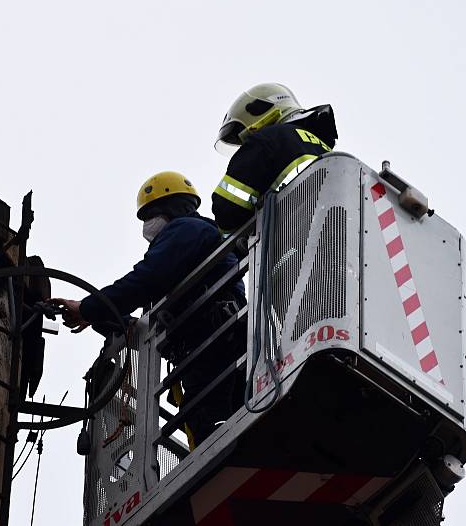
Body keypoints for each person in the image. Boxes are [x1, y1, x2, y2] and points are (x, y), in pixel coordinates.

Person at [51, 171, 246, 447]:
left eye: (150, 214)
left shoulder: (187, 230)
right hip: (209, 341)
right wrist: (101, 316)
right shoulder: (185, 251)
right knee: (207, 417)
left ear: (172, 207)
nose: (147, 225)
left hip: (213, 338)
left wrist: (89, 307)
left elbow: (144, 281)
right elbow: (145, 312)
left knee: (211, 423)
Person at [212, 82, 339, 233]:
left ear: (258, 111)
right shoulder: (323, 148)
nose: (244, 143)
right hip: (331, 231)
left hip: (291, 236)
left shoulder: (268, 138)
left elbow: (227, 210)